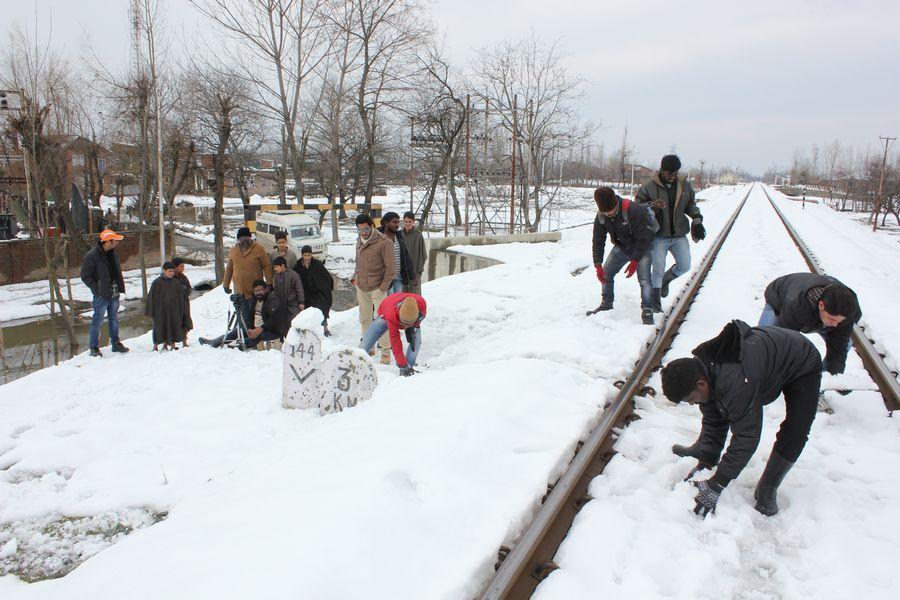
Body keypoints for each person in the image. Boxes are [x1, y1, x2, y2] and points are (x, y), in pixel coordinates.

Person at [660, 319, 823, 517]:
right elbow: (714, 419)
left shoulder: (735, 380)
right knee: (720, 409)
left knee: (796, 429)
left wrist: (717, 483)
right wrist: (706, 462)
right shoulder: (703, 369)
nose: (693, 404)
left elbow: (747, 436)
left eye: (691, 399)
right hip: (769, 358)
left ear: (701, 384)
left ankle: (768, 487)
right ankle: (705, 455)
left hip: (802, 361)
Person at [636, 154, 705, 312]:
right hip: (659, 236)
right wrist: (652, 206)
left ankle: (667, 280)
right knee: (658, 268)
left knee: (685, 265)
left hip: (679, 234)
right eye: (669, 173)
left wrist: (697, 219)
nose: (673, 177)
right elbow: (637, 207)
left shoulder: (684, 186)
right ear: (662, 170)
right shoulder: (649, 187)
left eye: (675, 173)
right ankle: (655, 304)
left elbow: (690, 205)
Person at [759, 273, 861, 375]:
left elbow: (838, 351)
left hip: (813, 312)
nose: (835, 325)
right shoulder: (797, 305)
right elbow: (785, 344)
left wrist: (832, 376)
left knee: (845, 343)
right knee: (766, 341)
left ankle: (821, 378)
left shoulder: (847, 314)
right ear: (821, 305)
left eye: (839, 321)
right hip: (780, 297)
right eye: (832, 319)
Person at [590, 186, 656, 325]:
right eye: (606, 213)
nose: (609, 215)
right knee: (606, 274)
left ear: (616, 203)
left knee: (644, 279)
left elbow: (644, 237)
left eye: (611, 212)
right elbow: (598, 240)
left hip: (642, 247)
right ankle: (606, 303)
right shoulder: (602, 216)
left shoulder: (633, 210)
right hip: (622, 247)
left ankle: (647, 309)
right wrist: (598, 264)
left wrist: (635, 260)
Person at [352, 214, 395, 363]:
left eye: (366, 228)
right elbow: (358, 261)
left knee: (381, 320)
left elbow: (391, 269)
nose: (363, 232)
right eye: (360, 229)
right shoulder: (359, 240)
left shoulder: (384, 242)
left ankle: (385, 350)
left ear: (372, 225)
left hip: (378, 287)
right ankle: (368, 346)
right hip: (361, 285)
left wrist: (383, 288)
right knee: (365, 318)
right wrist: (355, 278)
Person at [80, 228, 130, 357]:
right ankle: (94, 348)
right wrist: (97, 289)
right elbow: (86, 276)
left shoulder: (111, 253)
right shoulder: (92, 256)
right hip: (101, 296)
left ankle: (116, 343)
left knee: (114, 319)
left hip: (114, 293)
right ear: (108, 242)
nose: (117, 243)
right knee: (97, 322)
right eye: (115, 241)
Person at [200, 280, 284, 349]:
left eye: (260, 290)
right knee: (239, 331)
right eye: (256, 291)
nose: (258, 293)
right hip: (258, 327)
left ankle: (239, 347)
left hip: (272, 330)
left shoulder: (272, 299)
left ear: (265, 289)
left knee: (257, 336)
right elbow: (251, 316)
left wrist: (260, 329)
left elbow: (274, 320)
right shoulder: (255, 299)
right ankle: (216, 342)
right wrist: (251, 328)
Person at [360, 292, 426, 376]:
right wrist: (401, 364)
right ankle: (356, 362)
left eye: (408, 324)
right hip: (386, 310)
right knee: (367, 340)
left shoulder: (422, 307)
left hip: (409, 315)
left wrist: (412, 328)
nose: (405, 326)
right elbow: (395, 342)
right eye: (404, 323)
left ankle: (408, 368)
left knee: (416, 341)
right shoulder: (391, 314)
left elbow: (417, 322)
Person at [223, 226, 273, 335]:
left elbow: (267, 266)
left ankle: (253, 337)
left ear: (250, 237)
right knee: (241, 317)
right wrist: (225, 284)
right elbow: (229, 269)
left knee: (254, 316)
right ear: (238, 239)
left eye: (246, 237)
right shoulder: (233, 251)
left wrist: (269, 283)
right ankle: (242, 336)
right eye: (242, 237)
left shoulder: (258, 248)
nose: (244, 239)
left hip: (255, 291)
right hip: (239, 291)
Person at [145, 261, 187, 351]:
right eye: (169, 271)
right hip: (160, 310)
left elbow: (181, 295)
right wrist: (151, 311)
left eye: (173, 271)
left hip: (173, 310)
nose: (172, 273)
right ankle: (156, 346)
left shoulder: (175, 282)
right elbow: (151, 297)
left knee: (173, 325)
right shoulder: (157, 282)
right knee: (159, 327)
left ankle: (172, 345)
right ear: (164, 270)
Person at [294, 244, 334, 336]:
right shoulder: (298, 266)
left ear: (311, 255)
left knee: (321, 310)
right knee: (307, 313)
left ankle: (324, 328)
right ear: (302, 255)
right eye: (305, 255)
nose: (307, 258)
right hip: (306, 294)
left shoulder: (317, 264)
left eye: (309, 255)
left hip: (318, 294)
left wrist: (327, 289)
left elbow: (327, 277)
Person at [378, 211, 416, 295]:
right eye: (394, 222)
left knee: (397, 300)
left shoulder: (399, 236)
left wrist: (413, 276)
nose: (397, 225)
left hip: (399, 276)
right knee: (390, 300)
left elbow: (406, 256)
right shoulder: (378, 237)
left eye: (398, 222)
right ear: (386, 223)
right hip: (385, 278)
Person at [272, 256, 305, 333]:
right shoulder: (276, 277)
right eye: (274, 267)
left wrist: (301, 302)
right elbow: (275, 290)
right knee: (284, 326)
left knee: (294, 324)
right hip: (282, 305)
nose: (275, 269)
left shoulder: (294, 275)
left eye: (276, 267)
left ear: (283, 265)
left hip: (293, 305)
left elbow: (299, 289)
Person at [402, 211, 427, 295]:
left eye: (410, 222)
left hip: (414, 270)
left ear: (413, 222)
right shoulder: (399, 234)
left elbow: (423, 254)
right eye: (406, 221)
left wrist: (418, 270)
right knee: (402, 294)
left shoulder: (418, 235)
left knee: (414, 294)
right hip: (402, 271)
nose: (408, 224)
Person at [171, 257, 193, 346]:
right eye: (181, 266)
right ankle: (172, 343)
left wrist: (184, 290)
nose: (183, 268)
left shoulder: (183, 277)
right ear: (175, 267)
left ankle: (184, 341)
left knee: (185, 322)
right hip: (174, 306)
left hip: (184, 304)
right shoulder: (171, 277)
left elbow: (189, 288)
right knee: (174, 323)